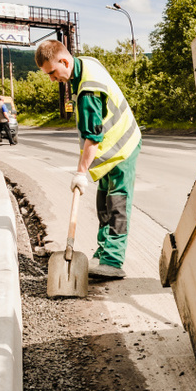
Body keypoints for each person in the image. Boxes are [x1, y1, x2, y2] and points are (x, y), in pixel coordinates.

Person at [34, 40, 142, 279]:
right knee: (103, 202)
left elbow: (93, 137)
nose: (52, 79)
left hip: (122, 148)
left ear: (64, 61)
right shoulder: (84, 65)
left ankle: (113, 261)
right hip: (109, 151)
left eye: (52, 72)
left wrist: (81, 172)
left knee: (117, 205)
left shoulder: (88, 91)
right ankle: (104, 252)